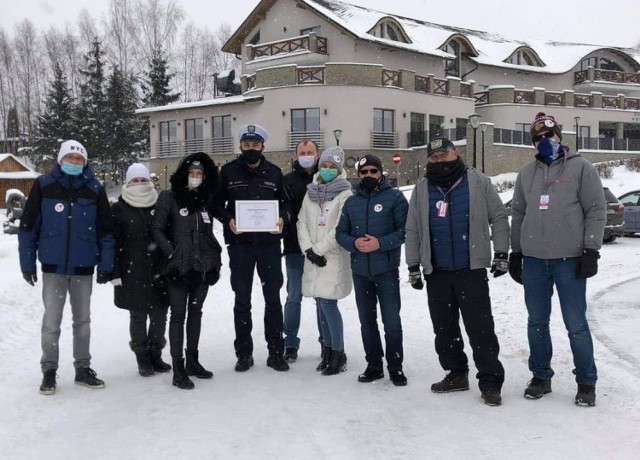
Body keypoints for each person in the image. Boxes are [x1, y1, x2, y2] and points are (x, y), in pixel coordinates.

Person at [509, 112, 606, 407]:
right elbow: (519, 214)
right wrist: (516, 252)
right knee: (536, 322)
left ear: (559, 136)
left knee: (575, 323)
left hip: (570, 260)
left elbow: (596, 209)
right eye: (537, 138)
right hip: (535, 261)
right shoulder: (526, 173)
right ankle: (541, 376)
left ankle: (586, 381)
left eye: (549, 135)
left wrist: (591, 250)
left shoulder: (581, 168)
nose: (544, 141)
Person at [405, 137, 508, 406]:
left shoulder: (478, 182)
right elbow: (413, 228)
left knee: (481, 327)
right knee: (444, 327)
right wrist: (413, 265)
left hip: (470, 269)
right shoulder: (422, 188)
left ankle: (490, 381)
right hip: (436, 271)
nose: (438, 159)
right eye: (433, 156)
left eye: (443, 154)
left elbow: (498, 216)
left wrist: (501, 253)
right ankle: (456, 374)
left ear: (456, 153)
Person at [18, 139, 115, 395]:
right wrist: (27, 263)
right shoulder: (44, 186)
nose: (74, 162)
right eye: (70, 158)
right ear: (60, 160)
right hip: (53, 267)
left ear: (85, 162)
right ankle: (49, 370)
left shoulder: (94, 189)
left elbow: (106, 230)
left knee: (82, 321)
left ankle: (82, 368)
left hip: (83, 268)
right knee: (52, 322)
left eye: (79, 159)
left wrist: (106, 263)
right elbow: (28, 227)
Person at [214, 124, 289, 373]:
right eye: (246, 146)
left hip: (268, 245)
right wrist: (229, 220)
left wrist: (283, 219)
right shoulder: (227, 172)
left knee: (273, 299)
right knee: (242, 299)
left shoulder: (275, 173)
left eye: (255, 145)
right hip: (241, 246)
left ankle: (276, 351)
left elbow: (286, 204)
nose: (251, 149)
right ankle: (244, 353)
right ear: (240, 147)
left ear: (262, 147)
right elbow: (215, 204)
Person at [336, 154, 409, 386]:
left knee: (391, 321)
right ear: (358, 175)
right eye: (364, 172)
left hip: (386, 269)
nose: (368, 175)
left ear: (381, 173)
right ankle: (374, 365)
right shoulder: (351, 202)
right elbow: (340, 233)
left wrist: (380, 242)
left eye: (373, 171)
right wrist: (353, 243)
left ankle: (395, 366)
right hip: (360, 272)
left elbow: (405, 231)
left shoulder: (395, 197)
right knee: (367, 322)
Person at [152, 152, 223, 390]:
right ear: (184, 175)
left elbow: (208, 231)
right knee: (178, 315)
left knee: (196, 313)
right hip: (177, 267)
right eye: (192, 173)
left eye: (199, 174)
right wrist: (171, 252)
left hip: (202, 266)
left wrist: (214, 255)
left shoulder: (205, 200)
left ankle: (193, 360)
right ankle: (178, 367)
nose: (195, 177)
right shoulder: (169, 197)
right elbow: (158, 229)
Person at [111, 163, 171, 377]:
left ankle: (156, 354)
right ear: (127, 182)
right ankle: (142, 358)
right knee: (138, 316)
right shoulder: (118, 209)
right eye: (134, 180)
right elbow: (112, 242)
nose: (139, 184)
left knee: (160, 315)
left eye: (143, 180)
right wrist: (114, 271)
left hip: (159, 268)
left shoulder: (162, 203)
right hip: (131, 270)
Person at [297, 146, 353, 376]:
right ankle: (328, 350)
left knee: (329, 304)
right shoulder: (311, 192)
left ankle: (339, 352)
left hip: (332, 256)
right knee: (320, 304)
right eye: (325, 166)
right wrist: (308, 250)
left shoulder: (345, 194)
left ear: (339, 170)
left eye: (333, 167)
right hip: (312, 256)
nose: (328, 170)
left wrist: (318, 250)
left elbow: (340, 226)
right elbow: (301, 222)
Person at [281, 139, 324, 363]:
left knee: (321, 296)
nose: (306, 155)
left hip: (320, 250)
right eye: (302, 152)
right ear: (296, 155)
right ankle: (290, 342)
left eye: (310, 152)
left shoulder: (326, 179)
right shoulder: (287, 181)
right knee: (294, 296)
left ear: (318, 154)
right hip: (294, 249)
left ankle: (326, 342)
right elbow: (284, 209)